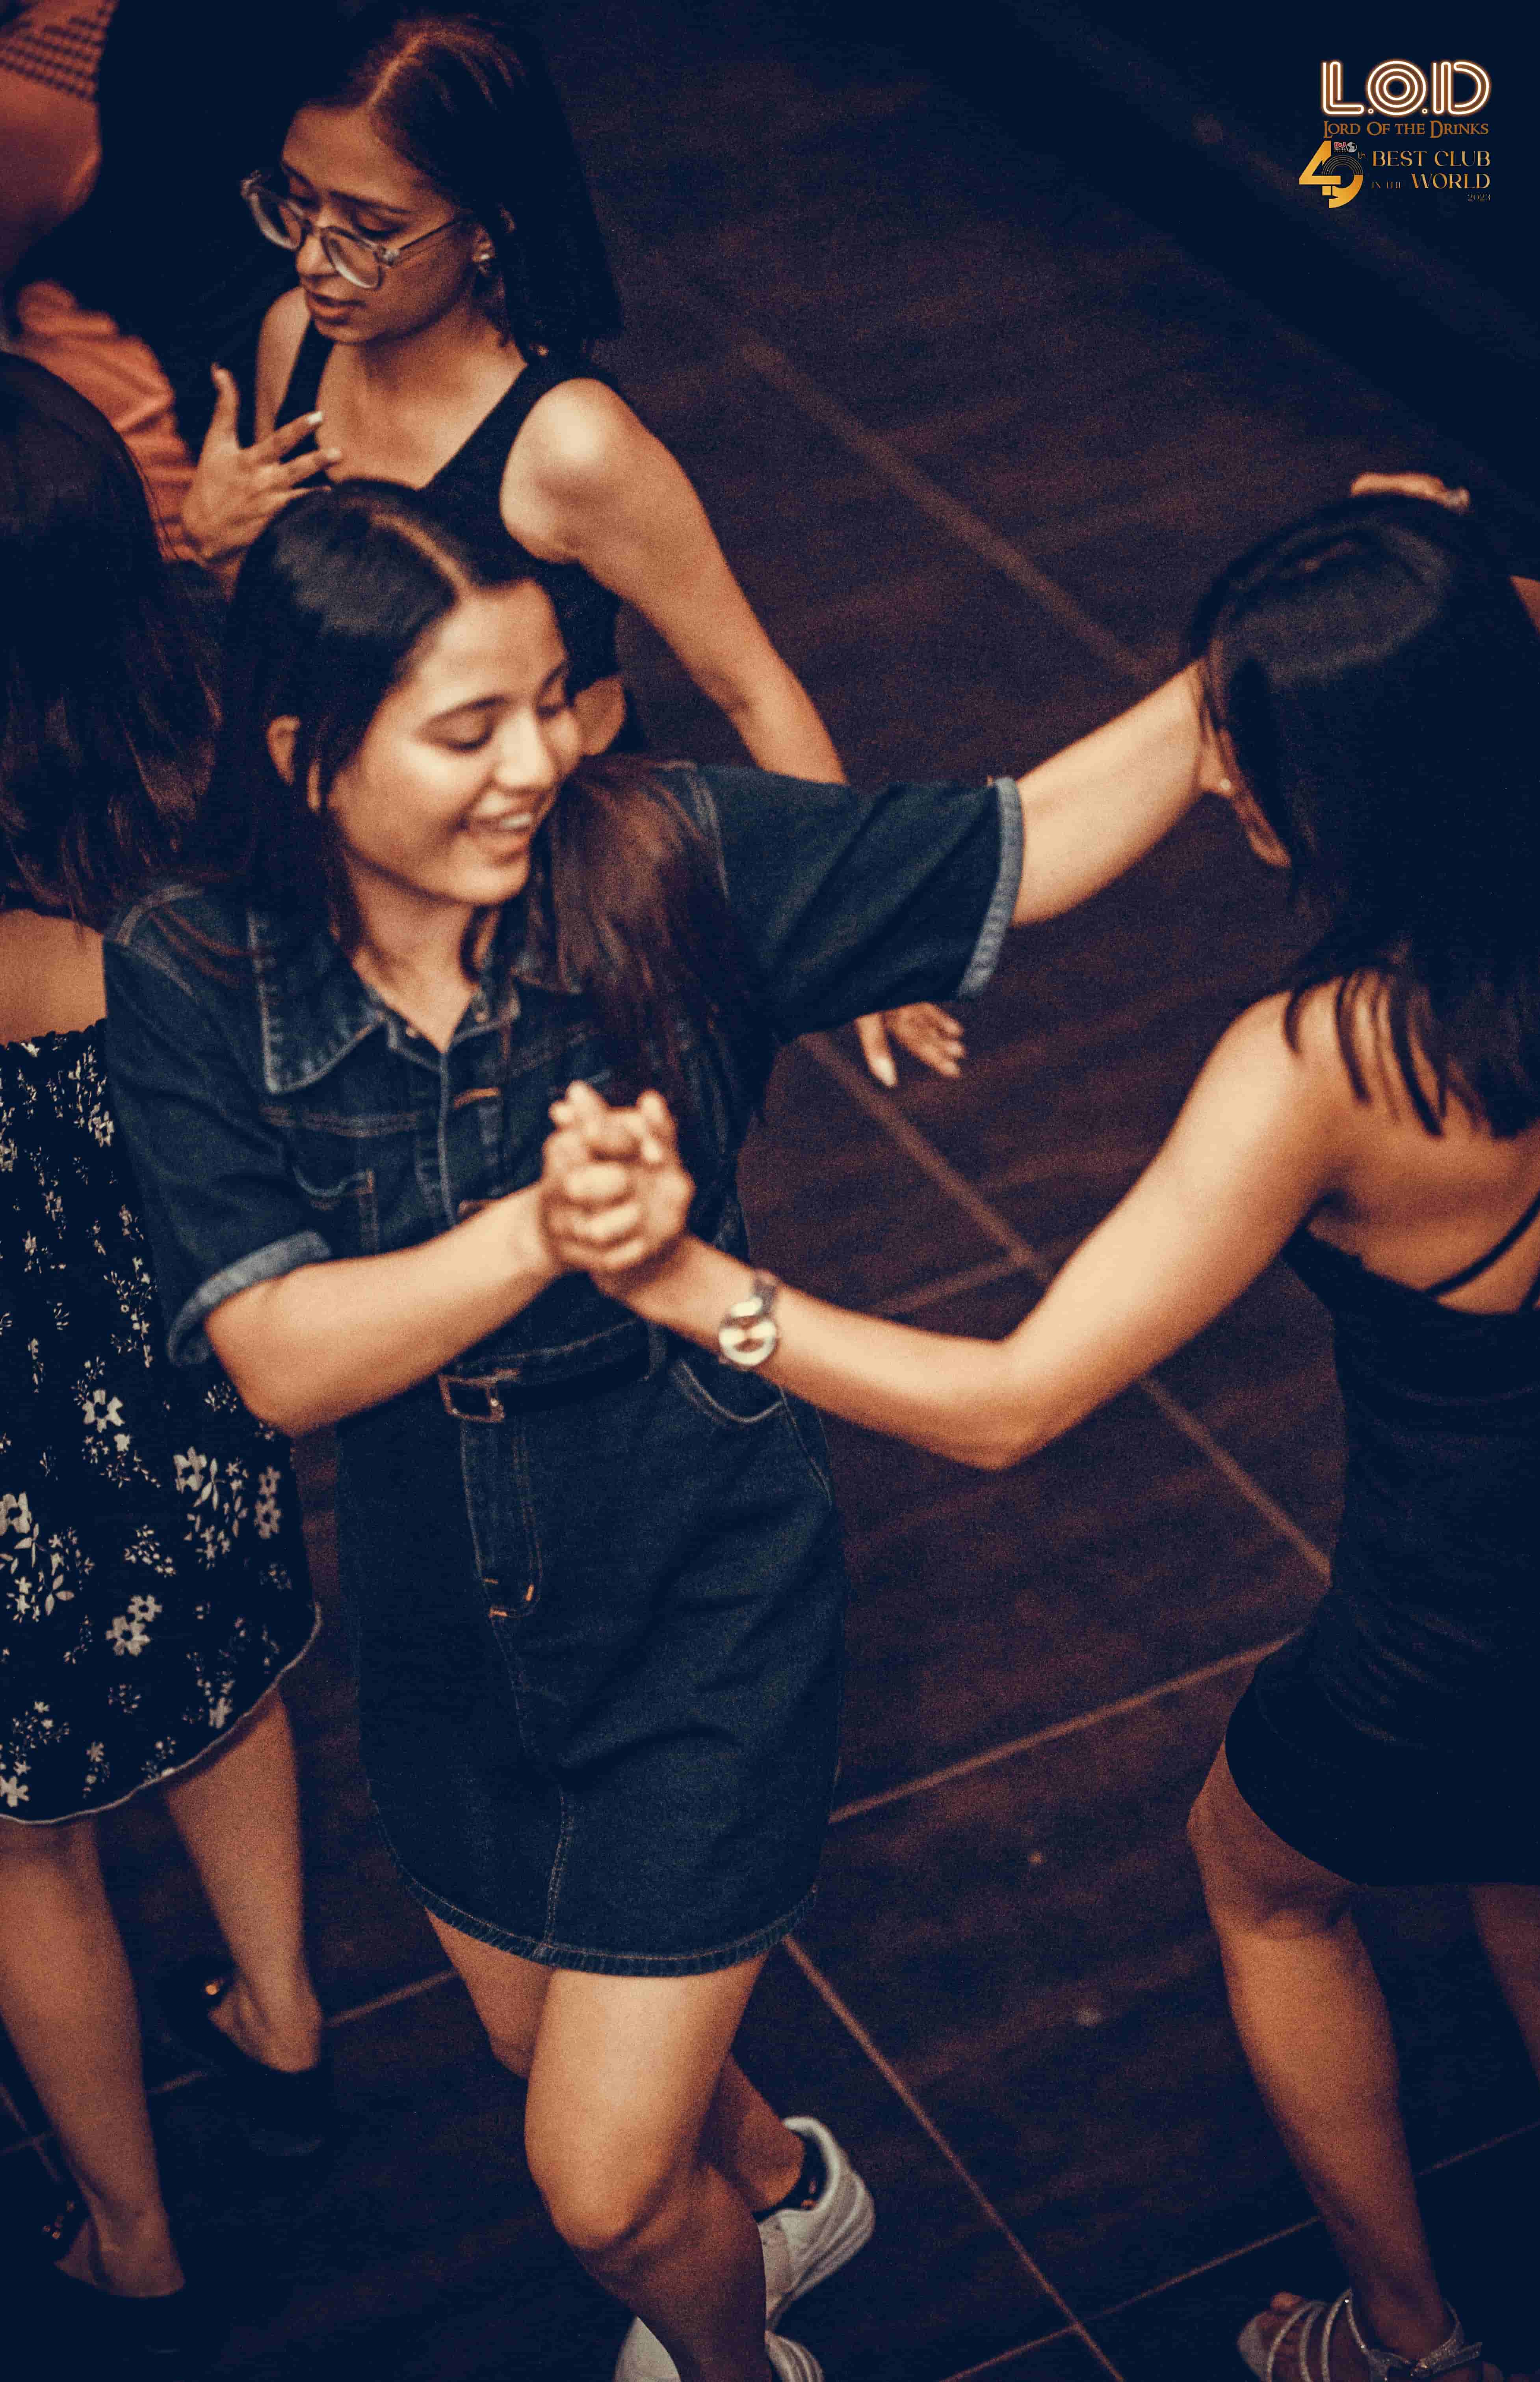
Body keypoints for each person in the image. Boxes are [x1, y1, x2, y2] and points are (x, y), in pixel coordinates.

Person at [99, 477, 1212, 2382]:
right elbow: (279, 1360)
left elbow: (1020, 846)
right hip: (446, 1617)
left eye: (552, 701)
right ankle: (784, 2189)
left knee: (605, 2189)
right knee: (546, 2045)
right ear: (306, 757)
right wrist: (545, 1231)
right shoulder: (190, 966)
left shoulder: (664, 850)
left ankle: (735, 2356)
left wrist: (1234, 675)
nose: (537, 763)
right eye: (469, 727)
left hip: (704, 1575)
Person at [539, 495, 1540, 2382]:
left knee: (1263, 1880)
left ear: (1359, 777)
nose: (1227, 786)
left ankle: (1407, 2343)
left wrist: (696, 1288)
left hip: (1444, 1629)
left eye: (1250, 753)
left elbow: (1012, 1402)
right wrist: (1391, 573)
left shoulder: (1328, 1065)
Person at [178, 3, 959, 1088]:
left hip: (546, 867)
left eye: (369, 227)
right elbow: (305, 637)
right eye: (298, 205)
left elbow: (748, 683)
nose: (317, 259)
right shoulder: (294, 342)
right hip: (370, 854)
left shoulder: (570, 444)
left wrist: (865, 929)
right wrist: (220, 555)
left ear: (484, 228)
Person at [0, 357, 327, 2365]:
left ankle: (131, 2238)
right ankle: (284, 2019)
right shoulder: (207, 766)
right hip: (197, 1339)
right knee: (224, 1681)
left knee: (20, 1836)